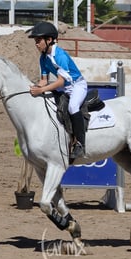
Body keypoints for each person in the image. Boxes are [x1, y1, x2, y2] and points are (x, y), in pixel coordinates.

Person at [28, 21, 88, 159]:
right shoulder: (43, 57)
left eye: (38, 41)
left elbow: (60, 81)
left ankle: (80, 143)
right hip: (65, 86)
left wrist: (41, 89)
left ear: (49, 40)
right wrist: (35, 88)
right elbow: (44, 80)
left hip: (77, 85)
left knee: (73, 107)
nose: (36, 44)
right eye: (35, 41)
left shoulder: (60, 55)